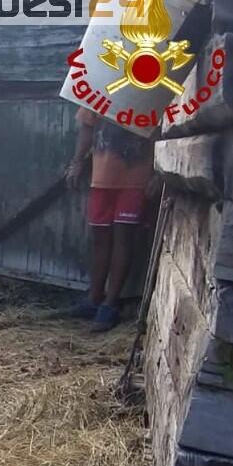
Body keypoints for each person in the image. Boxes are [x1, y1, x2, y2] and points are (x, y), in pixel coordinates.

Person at [65, 106, 156, 332]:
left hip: (136, 177)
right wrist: (76, 162)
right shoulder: (101, 82)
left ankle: (110, 305)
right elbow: (87, 126)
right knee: (99, 238)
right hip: (102, 176)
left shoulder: (153, 84)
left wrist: (158, 173)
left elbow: (161, 130)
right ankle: (94, 298)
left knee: (123, 238)